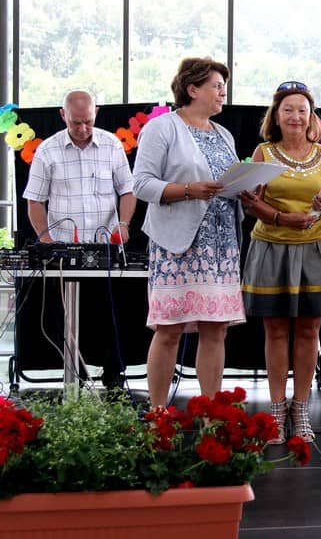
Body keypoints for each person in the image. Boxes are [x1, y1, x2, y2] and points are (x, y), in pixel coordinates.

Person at [240, 81, 321, 444]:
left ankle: (300, 408)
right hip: (271, 248)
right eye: (288, 109)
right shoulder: (263, 152)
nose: (296, 116)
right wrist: (281, 218)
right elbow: (250, 203)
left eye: (302, 110)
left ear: (311, 116)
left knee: (308, 330)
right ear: (276, 115)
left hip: (316, 248)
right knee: (275, 330)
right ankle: (276, 408)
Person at [133, 57, 245, 408]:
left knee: (216, 329)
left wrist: (246, 190)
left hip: (221, 246)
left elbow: (226, 184)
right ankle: (158, 414)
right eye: (216, 86)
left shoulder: (223, 134)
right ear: (192, 89)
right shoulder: (162, 127)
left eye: (224, 86)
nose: (223, 92)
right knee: (169, 330)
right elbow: (141, 184)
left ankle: (212, 416)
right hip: (178, 246)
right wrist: (188, 190)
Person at [24, 90, 136, 244]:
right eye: (76, 123)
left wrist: (123, 224)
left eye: (88, 122)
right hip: (61, 245)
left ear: (96, 112)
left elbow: (128, 189)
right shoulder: (46, 150)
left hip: (107, 244)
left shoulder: (112, 145)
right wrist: (46, 240)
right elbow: (35, 200)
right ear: (63, 115)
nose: (83, 129)